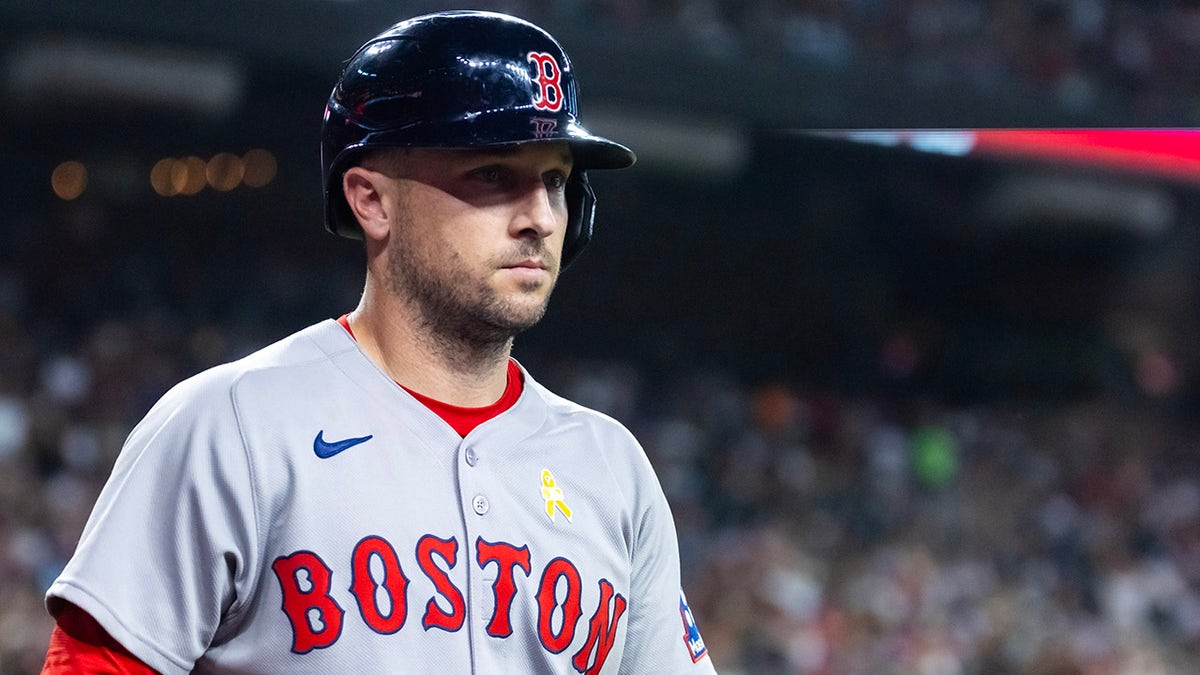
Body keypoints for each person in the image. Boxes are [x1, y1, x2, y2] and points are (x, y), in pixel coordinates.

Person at [41, 9, 715, 674]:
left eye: (556, 181)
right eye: (492, 174)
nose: (539, 217)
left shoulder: (612, 469)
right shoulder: (232, 426)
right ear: (371, 200)